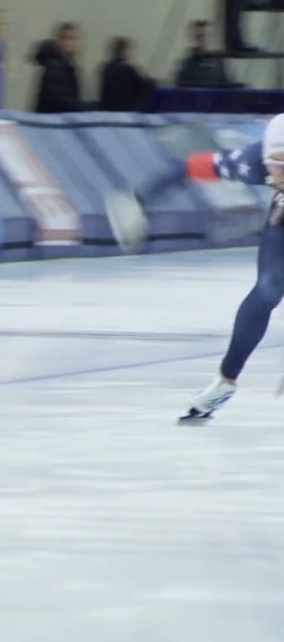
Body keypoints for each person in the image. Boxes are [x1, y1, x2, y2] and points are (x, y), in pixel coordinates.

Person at [106, 116, 284, 423]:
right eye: (276, 165)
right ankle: (225, 381)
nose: (281, 173)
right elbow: (189, 167)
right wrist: (140, 199)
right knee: (268, 288)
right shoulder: (252, 162)